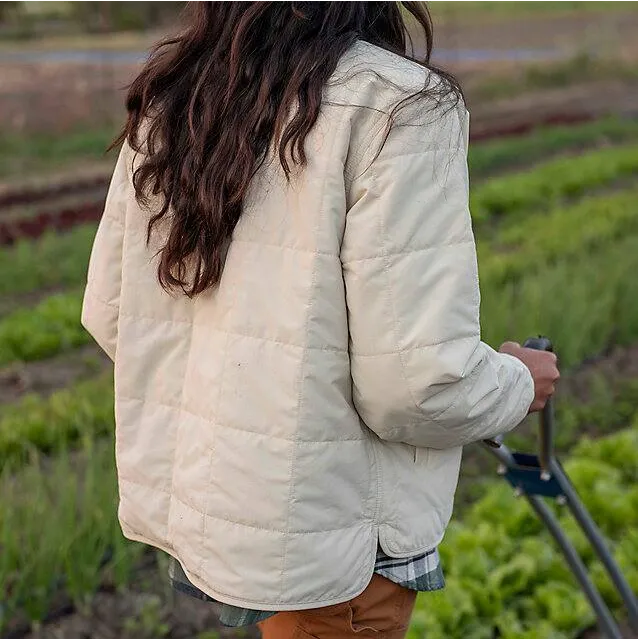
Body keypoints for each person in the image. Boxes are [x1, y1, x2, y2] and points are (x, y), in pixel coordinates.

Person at [82, 1, 560, 638]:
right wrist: (518, 381)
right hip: (338, 546)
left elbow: (113, 317)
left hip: (235, 521)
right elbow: (417, 386)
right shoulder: (397, 106)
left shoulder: (180, 95)